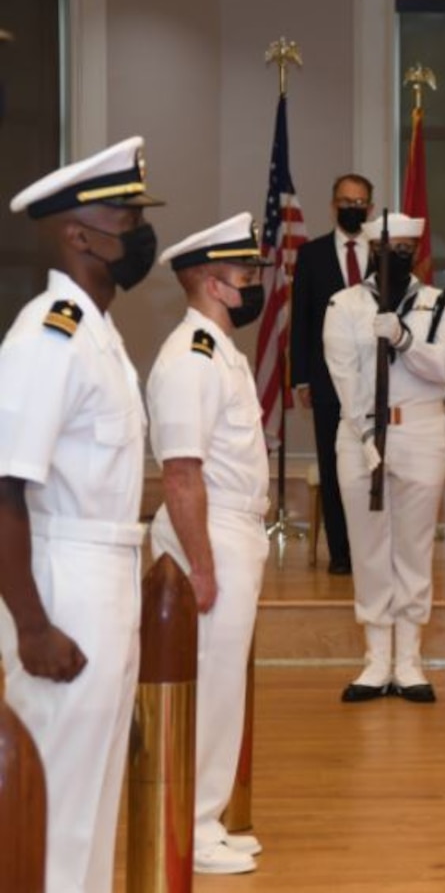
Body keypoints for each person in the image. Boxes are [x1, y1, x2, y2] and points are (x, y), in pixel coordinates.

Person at [0, 137, 163, 893]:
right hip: (62, 578)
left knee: (94, 790)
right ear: (79, 235)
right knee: (58, 792)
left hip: (107, 571)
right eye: (126, 217)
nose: (138, 231)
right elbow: (4, 487)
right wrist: (31, 624)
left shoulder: (98, 333)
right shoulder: (48, 335)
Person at [147, 213, 271, 875]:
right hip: (211, 531)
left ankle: (209, 817)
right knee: (212, 687)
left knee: (224, 688)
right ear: (212, 283)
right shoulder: (190, 358)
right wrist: (200, 564)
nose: (254, 285)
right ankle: (191, 830)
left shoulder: (219, 351)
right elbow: (181, 471)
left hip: (233, 527)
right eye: (245, 274)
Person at [323, 212, 445, 703]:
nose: (395, 258)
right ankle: (375, 657)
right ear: (369, 250)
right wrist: (366, 433)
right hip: (361, 433)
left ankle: (409, 657)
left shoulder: (440, 305)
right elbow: (345, 375)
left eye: (405, 250)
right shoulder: (343, 305)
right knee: (367, 547)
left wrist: (405, 340)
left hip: (421, 433)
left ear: (417, 253)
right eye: (388, 250)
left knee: (413, 545)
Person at [290, 174, 375, 575]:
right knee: (334, 466)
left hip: (377, 384)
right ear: (332, 205)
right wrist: (301, 378)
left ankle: (371, 550)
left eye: (359, 202)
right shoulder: (312, 255)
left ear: (370, 209)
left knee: (372, 468)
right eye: (345, 200)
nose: (352, 208)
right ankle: (341, 554)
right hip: (326, 385)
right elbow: (301, 320)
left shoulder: (382, 254)